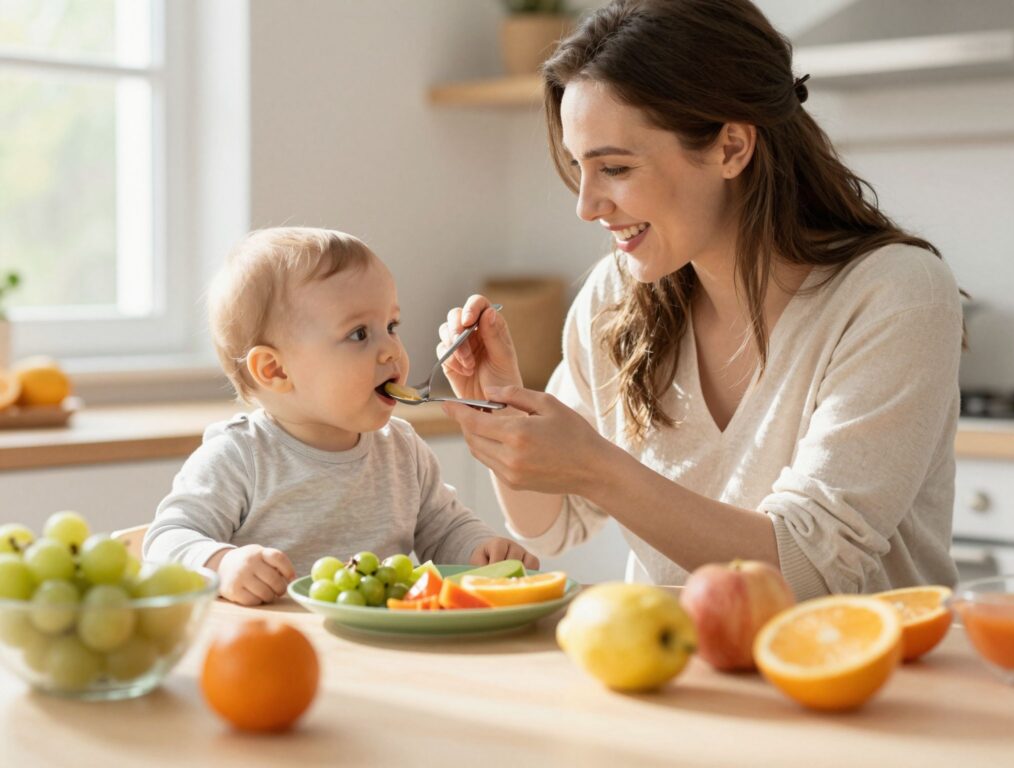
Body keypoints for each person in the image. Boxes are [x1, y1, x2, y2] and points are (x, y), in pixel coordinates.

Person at [437, 0, 963, 600]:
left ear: (731, 147)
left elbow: (810, 572)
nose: (586, 205)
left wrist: (595, 466)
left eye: (615, 167)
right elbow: (551, 525)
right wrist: (506, 408)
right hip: (680, 673)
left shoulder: (894, 295)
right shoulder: (617, 297)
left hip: (868, 679)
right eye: (581, 168)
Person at [144, 227, 537, 606]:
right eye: (359, 334)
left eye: (391, 326)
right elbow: (166, 540)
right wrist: (222, 563)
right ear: (276, 371)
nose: (391, 351)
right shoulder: (239, 456)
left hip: (381, 648)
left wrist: (481, 548)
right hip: (274, 650)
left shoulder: (402, 450)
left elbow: (445, 529)